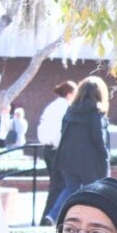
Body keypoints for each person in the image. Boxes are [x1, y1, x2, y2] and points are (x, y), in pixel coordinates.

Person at [46, 77, 110, 224]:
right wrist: (104, 156)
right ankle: (92, 219)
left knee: (70, 188)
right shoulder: (96, 113)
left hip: (67, 158)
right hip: (89, 160)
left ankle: (54, 214)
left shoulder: (70, 111)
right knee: (93, 190)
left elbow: (64, 131)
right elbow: (98, 138)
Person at [38, 81, 78, 225]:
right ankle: (51, 216)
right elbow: (60, 131)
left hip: (47, 149)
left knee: (56, 185)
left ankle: (49, 216)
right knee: (62, 185)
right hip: (58, 150)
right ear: (70, 94)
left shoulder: (51, 106)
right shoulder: (66, 108)